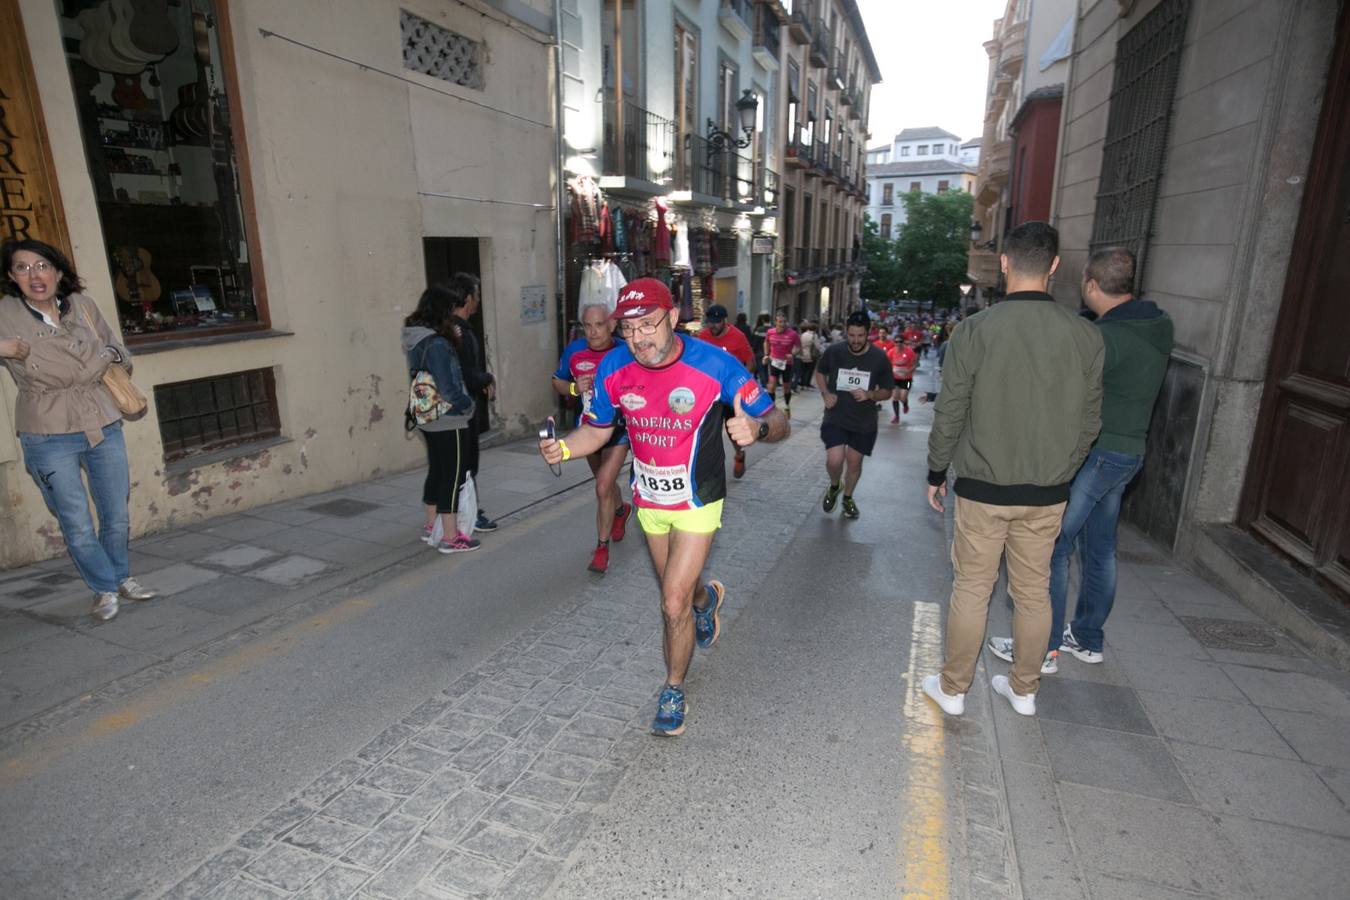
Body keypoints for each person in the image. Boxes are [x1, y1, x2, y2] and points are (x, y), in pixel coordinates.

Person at [539, 279, 788, 736]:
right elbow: (597, 431)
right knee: (685, 593)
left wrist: (760, 429)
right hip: (649, 500)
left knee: (671, 602)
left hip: (697, 499)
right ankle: (707, 598)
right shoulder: (614, 366)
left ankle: (673, 688)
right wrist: (565, 450)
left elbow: (778, 418)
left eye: (648, 326)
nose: (639, 339)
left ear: (673, 318)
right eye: (629, 329)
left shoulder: (715, 364)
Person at [921, 221, 1103, 718]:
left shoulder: (976, 330)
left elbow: (951, 408)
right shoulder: (1086, 337)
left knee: (973, 589)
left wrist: (937, 470)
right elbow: (1091, 422)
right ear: (1055, 266)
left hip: (983, 487)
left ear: (1004, 262)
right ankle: (1024, 690)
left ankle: (954, 690)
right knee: (1033, 591)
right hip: (1048, 489)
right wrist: (1064, 469)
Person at [987, 247, 1172, 669]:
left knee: (1051, 546)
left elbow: (1063, 391)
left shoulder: (1105, 339)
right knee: (1100, 547)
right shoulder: (1157, 324)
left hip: (1100, 453)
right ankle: (1087, 638)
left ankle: (1043, 648)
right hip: (1129, 453)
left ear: (1091, 284)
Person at [0, 239, 157, 621]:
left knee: (115, 514)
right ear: (11, 276)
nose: (34, 275)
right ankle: (104, 588)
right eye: (23, 268)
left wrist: (106, 354)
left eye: (42, 266)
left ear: (58, 271)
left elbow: (120, 351)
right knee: (77, 523)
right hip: (47, 432)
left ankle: (121, 577)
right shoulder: (5, 313)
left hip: (102, 422)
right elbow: (72, 369)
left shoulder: (83, 306)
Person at [552, 301, 631, 573]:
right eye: (587, 325)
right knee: (604, 484)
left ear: (611, 325)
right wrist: (574, 388)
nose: (593, 331)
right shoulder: (574, 351)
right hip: (588, 429)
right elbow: (557, 382)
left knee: (602, 487)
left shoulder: (626, 350)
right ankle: (621, 510)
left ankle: (601, 548)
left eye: (599, 324)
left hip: (619, 430)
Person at [402, 285, 480, 553]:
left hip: (427, 417)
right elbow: (448, 389)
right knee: (453, 475)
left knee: (437, 469)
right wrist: (467, 404)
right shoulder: (437, 343)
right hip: (449, 419)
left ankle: (431, 524)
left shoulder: (417, 339)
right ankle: (450, 536)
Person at [814, 310, 895, 520]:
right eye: (851, 335)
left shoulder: (879, 358)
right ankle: (834, 486)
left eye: (860, 336)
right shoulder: (834, 351)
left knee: (853, 462)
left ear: (868, 333)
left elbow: (887, 391)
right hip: (836, 417)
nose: (855, 340)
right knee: (834, 460)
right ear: (846, 333)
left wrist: (870, 394)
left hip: (864, 421)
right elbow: (820, 372)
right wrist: (825, 393)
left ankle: (848, 497)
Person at [448, 273, 497, 533]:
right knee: (466, 463)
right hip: (462, 408)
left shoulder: (449, 327)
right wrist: (488, 377)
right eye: (476, 295)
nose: (478, 300)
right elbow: (466, 373)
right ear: (468, 299)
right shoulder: (460, 333)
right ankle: (469, 515)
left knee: (458, 463)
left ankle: (456, 513)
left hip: (453, 408)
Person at [695, 304, 755, 479]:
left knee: (731, 430)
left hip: (730, 393)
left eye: (716, 322)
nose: (712, 326)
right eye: (710, 322)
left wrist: (741, 385)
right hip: (709, 391)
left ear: (724, 321)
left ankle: (739, 454)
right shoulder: (703, 336)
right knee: (706, 427)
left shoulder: (738, 337)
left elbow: (750, 363)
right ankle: (707, 466)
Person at [762, 310, 801, 417]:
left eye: (784, 322)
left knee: (786, 386)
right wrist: (766, 354)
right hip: (774, 361)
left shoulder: (793, 334)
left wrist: (792, 354)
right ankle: (772, 408)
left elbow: (798, 347)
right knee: (771, 385)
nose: (782, 324)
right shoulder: (770, 332)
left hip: (787, 363)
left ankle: (787, 406)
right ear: (776, 322)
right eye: (780, 322)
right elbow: (766, 342)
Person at [887, 333, 918, 423]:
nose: (898, 344)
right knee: (895, 396)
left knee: (903, 397)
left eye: (900, 342)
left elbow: (916, 364)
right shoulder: (891, 352)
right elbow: (887, 364)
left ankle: (905, 404)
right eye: (896, 342)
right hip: (895, 379)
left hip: (907, 379)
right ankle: (896, 416)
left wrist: (908, 371)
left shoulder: (909, 352)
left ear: (903, 342)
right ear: (894, 342)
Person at [796, 321, 821, 391]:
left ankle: (802, 383)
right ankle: (806, 384)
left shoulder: (803, 334)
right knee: (809, 370)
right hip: (810, 355)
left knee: (803, 370)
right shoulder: (814, 335)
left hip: (802, 354)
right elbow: (818, 346)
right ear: (815, 329)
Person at [750, 313, 770, 386]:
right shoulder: (772, 329)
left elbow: (755, 342)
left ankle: (764, 384)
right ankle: (767, 382)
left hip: (759, 351)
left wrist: (753, 350)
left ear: (762, 320)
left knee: (761, 368)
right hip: (769, 352)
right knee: (766, 369)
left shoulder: (759, 329)